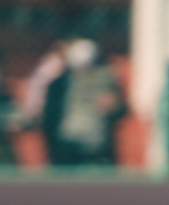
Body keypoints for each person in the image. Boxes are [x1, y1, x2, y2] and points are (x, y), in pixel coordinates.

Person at [42, 36, 125, 167]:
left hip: (96, 146)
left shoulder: (106, 79)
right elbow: (49, 118)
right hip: (67, 145)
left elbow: (121, 109)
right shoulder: (59, 85)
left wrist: (114, 105)